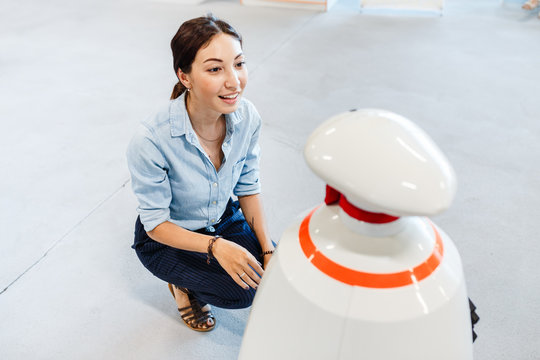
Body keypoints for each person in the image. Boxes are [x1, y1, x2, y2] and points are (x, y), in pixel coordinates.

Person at [126, 14, 274, 332]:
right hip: (168, 239)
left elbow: (248, 186)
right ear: (185, 76)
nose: (234, 81)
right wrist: (217, 247)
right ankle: (184, 287)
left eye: (238, 64)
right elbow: (155, 225)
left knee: (275, 272)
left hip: (223, 219)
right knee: (243, 292)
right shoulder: (151, 139)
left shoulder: (247, 117)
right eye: (215, 69)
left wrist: (267, 249)